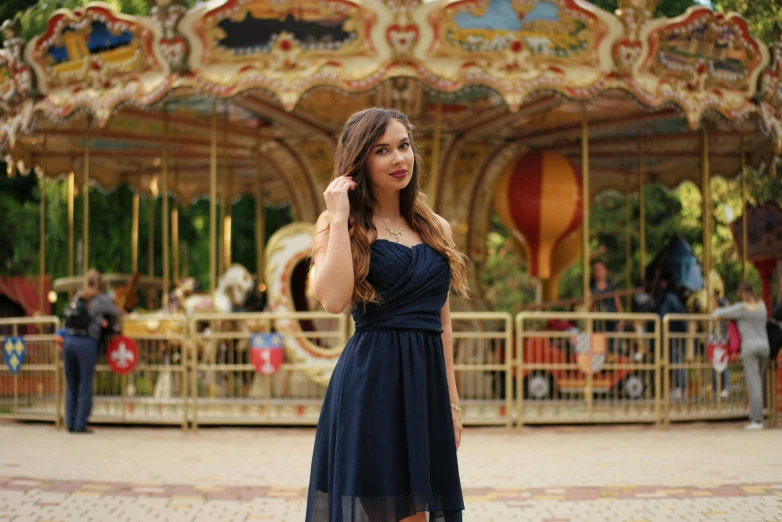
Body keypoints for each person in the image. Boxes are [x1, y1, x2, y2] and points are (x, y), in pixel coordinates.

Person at [305, 108, 468, 522]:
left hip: (426, 387)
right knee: (380, 512)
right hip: (371, 384)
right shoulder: (339, 224)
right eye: (382, 150)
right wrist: (340, 217)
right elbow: (333, 300)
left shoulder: (435, 227)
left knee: (417, 513)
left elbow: (443, 322)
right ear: (361, 159)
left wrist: (451, 404)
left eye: (404, 146)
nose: (399, 159)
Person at [63, 269, 121, 433]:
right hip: (86, 343)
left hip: (69, 341)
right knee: (85, 385)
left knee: (72, 384)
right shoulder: (101, 299)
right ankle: (81, 424)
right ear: (100, 283)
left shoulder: (78, 297)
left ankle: (70, 422)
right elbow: (117, 312)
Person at [711, 281, 770, 430]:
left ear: (741, 292)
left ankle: (757, 420)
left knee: (753, 383)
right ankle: (757, 412)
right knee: (759, 382)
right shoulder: (762, 305)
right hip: (764, 346)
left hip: (750, 347)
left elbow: (718, 313)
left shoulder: (742, 308)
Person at [654, 273, 687, 399]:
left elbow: (662, 314)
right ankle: (679, 388)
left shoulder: (669, 297)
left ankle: (679, 388)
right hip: (676, 332)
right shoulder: (674, 297)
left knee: (677, 360)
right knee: (677, 360)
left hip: (674, 333)